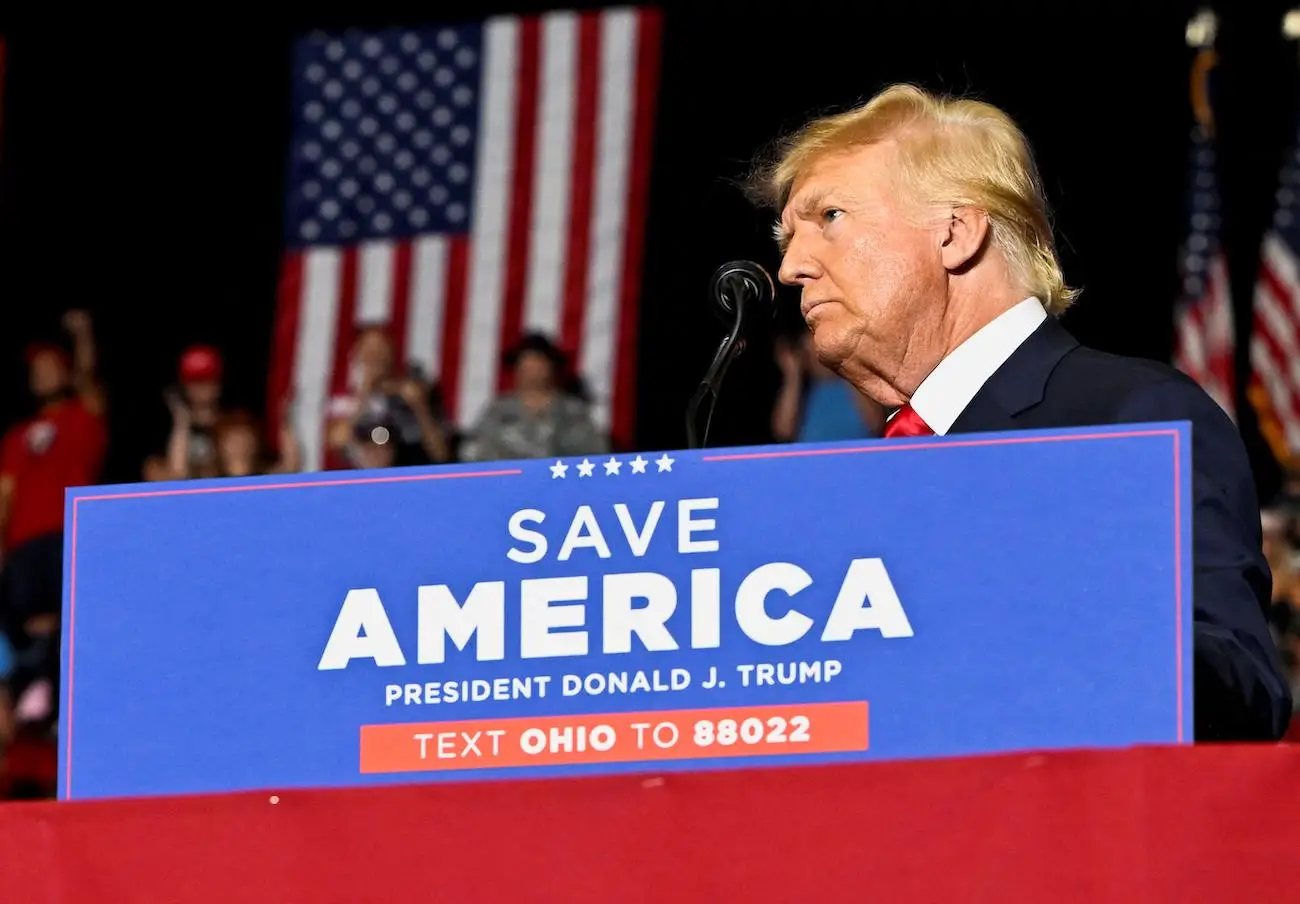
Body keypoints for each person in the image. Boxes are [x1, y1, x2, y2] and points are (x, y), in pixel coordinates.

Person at [752, 83, 1291, 741]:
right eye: (788, 236)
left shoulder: (1128, 420)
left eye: (829, 217)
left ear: (955, 231)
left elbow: (1240, 693)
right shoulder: (852, 472)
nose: (790, 267)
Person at [0, 310, 107, 739]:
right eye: (36, 370)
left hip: (69, 534)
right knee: (26, 624)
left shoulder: (82, 417)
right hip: (25, 542)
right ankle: (36, 700)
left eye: (49, 367)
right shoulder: (16, 435)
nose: (41, 376)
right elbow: (4, 493)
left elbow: (90, 382)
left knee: (71, 621)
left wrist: (83, 337)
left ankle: (66, 709)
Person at [461, 333, 607, 462]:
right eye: (526, 365)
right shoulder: (498, 410)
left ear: (551, 368)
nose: (532, 371)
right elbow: (471, 453)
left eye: (538, 364)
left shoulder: (572, 412)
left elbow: (595, 456)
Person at [772, 329, 884, 442]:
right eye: (808, 353)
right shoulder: (802, 393)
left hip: (855, 457)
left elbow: (875, 424)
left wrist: (843, 367)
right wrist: (793, 375)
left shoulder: (854, 384)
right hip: (813, 458)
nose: (816, 360)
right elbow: (783, 432)